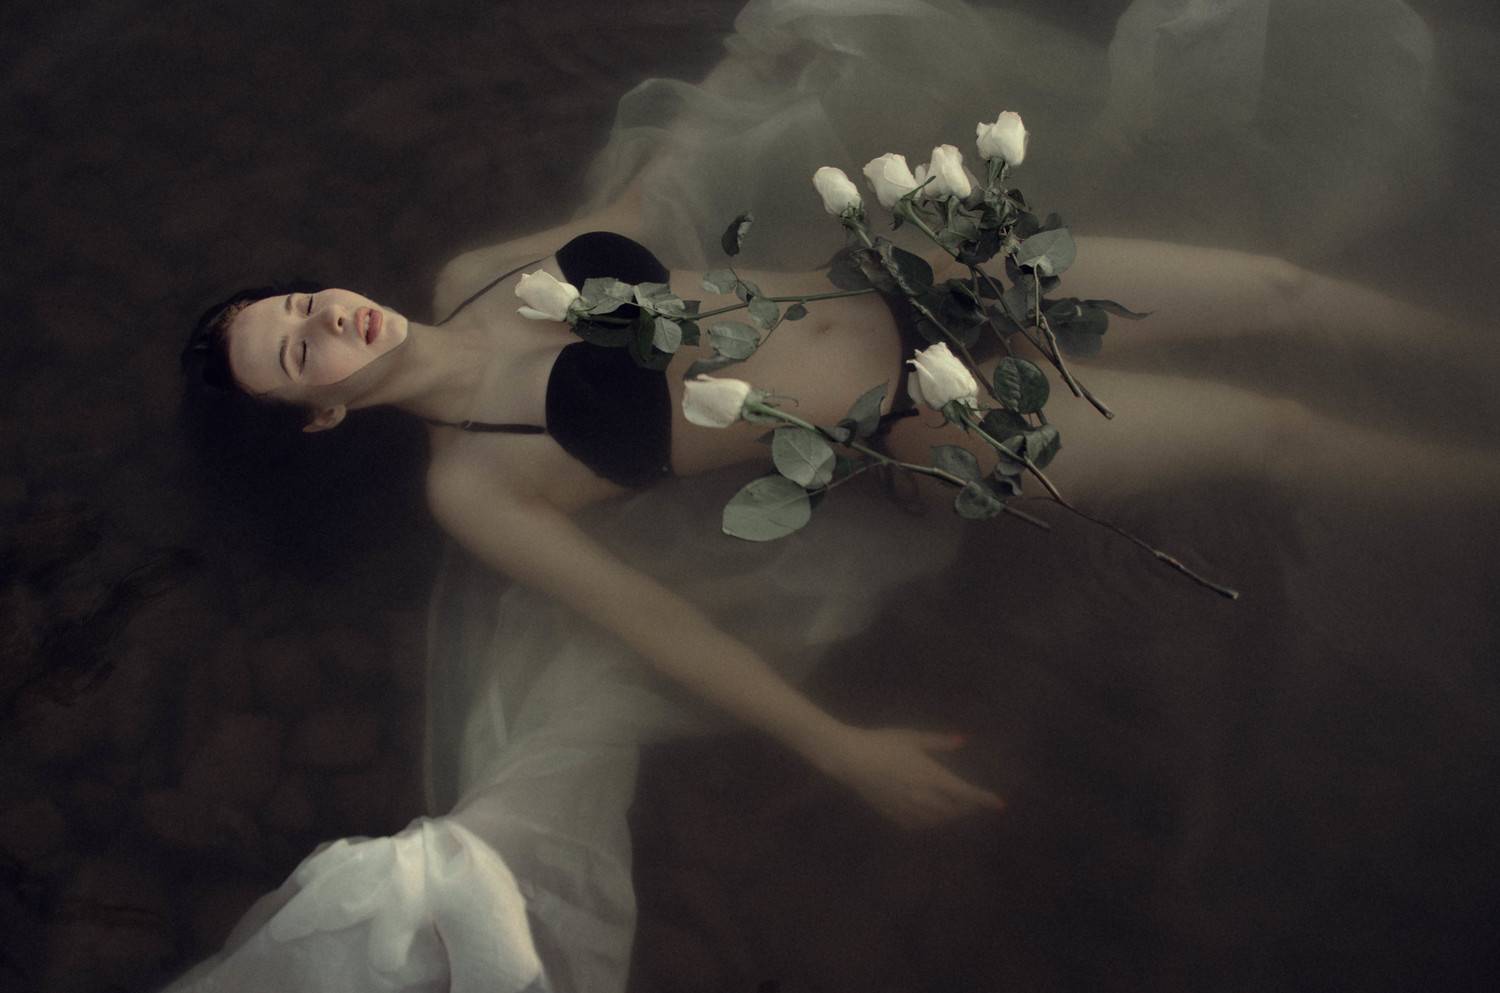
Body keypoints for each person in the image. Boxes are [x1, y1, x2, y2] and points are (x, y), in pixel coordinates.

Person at [163, 1, 1499, 991]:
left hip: (923, 275)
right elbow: (649, 619)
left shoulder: (470, 275)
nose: (326, 318)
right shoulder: (479, 479)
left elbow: (631, 208)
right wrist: (835, 745)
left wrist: (736, 80)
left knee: (1280, 290)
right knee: (1274, 431)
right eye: (300, 354)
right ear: (322, 413)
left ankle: (1477, 350)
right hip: (925, 421)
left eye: (301, 302)